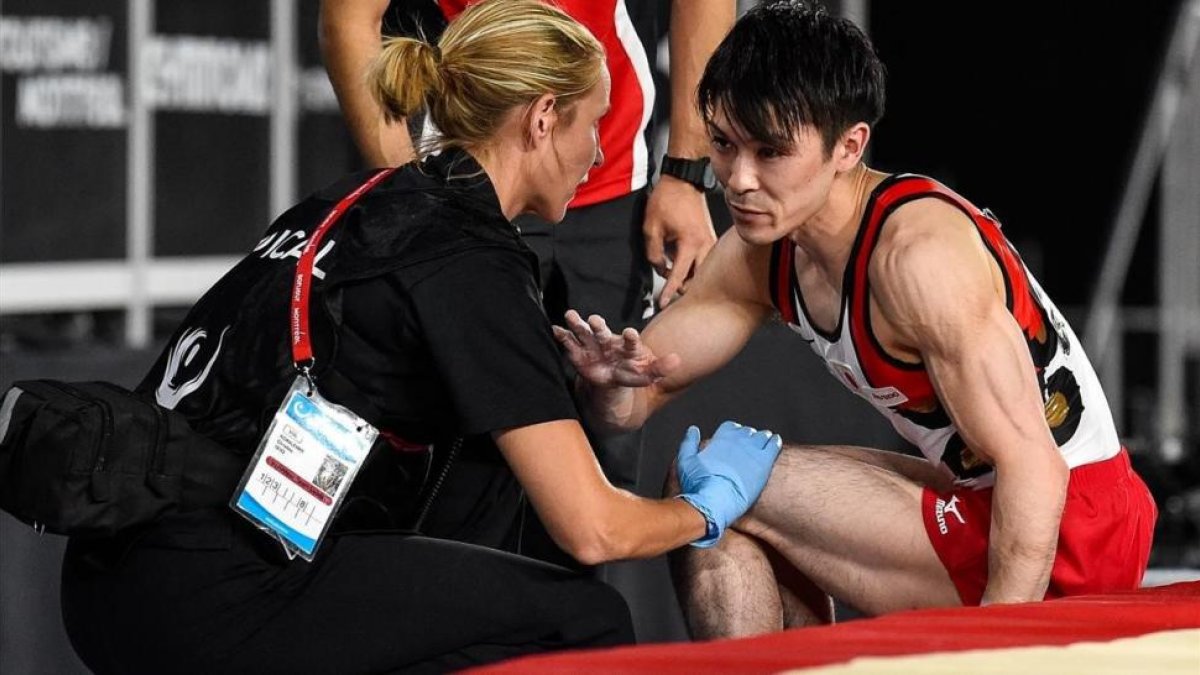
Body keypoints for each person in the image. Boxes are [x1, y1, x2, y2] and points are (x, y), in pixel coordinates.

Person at [58, 3, 782, 672]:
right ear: (541, 119)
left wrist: (583, 398)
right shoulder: (467, 259)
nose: (599, 155)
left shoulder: (352, 202)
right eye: (594, 124)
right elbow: (594, 530)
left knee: (483, 523)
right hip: (207, 590)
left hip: (113, 570)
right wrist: (709, 508)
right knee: (580, 615)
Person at [555, 0, 1158, 639]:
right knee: (717, 486)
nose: (740, 180)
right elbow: (636, 401)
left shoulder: (917, 257)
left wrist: (994, 651)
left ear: (849, 146)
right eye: (725, 145)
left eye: (772, 152)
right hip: (983, 499)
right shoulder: (759, 252)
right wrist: (608, 384)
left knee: (724, 485)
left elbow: (1034, 468)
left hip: (1072, 523)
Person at [319, 0, 734, 494]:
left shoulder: (598, 149)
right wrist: (707, 514)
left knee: (602, 453)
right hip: (468, 183)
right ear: (543, 118)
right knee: (455, 469)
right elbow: (349, 18)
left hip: (616, 197)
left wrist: (687, 173)